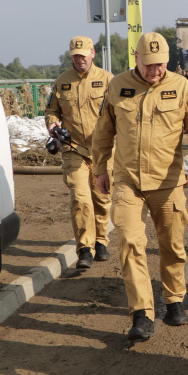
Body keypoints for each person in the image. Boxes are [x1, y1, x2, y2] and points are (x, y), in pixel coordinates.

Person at [92, 32, 188, 343]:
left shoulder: (181, 87)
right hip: (127, 180)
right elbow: (103, 131)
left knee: (172, 244)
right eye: (149, 64)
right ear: (137, 59)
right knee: (129, 241)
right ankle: (142, 313)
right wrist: (99, 169)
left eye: (160, 64)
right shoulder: (117, 85)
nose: (155, 70)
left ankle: (174, 300)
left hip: (168, 182)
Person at [44, 36, 114, 269]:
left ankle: (101, 240)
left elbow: (119, 111)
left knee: (102, 198)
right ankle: (85, 248)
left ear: (93, 53)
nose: (80, 59)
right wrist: (53, 124)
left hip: (102, 150)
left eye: (83, 55)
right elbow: (52, 111)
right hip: (73, 149)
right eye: (75, 55)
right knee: (80, 198)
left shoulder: (107, 80)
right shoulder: (62, 82)